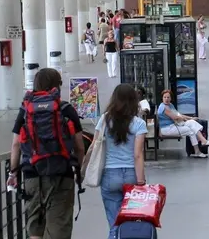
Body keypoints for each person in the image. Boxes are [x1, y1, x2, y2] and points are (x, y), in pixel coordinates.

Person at [8, 68, 86, 239]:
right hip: (61, 176)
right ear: (57, 86)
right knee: (58, 228)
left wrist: (13, 173)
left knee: (35, 228)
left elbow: (16, 145)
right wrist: (79, 172)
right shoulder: (65, 109)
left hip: (32, 175)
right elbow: (80, 147)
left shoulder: (26, 109)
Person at [89, 84, 147, 239]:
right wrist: (141, 182)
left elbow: (94, 145)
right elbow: (138, 155)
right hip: (131, 175)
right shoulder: (139, 123)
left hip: (110, 175)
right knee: (132, 222)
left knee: (114, 224)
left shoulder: (105, 119)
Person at [157, 90, 209, 158]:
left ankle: (203, 141)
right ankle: (198, 151)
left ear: (171, 98)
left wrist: (191, 118)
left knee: (192, 122)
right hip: (167, 129)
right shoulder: (164, 107)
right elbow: (176, 117)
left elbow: (179, 115)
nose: (166, 99)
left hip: (174, 125)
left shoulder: (170, 105)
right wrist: (187, 119)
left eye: (168, 97)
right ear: (162, 98)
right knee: (190, 131)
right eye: (165, 97)